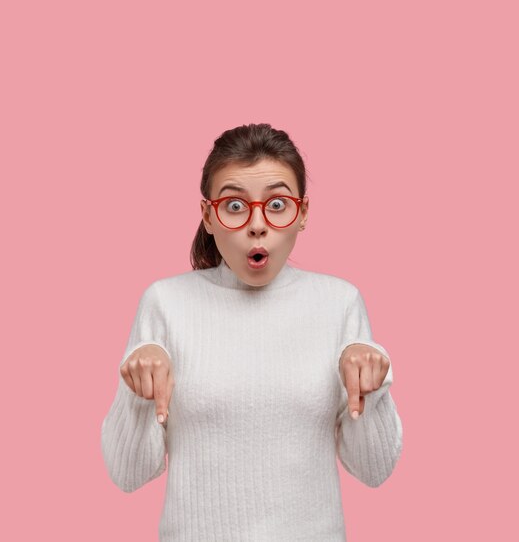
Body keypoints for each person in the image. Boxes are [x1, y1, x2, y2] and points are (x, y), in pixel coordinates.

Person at [101, 123, 403, 541]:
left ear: (303, 214)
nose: (257, 226)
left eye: (277, 204)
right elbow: (128, 476)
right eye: (235, 206)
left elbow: (374, 471)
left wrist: (373, 388)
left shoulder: (339, 303)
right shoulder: (165, 303)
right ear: (208, 215)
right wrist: (138, 394)